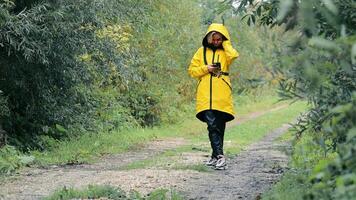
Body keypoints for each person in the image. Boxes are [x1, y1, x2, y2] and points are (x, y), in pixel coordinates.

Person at [188, 23, 239, 170]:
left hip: (222, 94)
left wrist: (226, 42)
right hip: (205, 95)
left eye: (219, 39)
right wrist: (207, 68)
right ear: (209, 38)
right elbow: (192, 71)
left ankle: (214, 156)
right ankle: (220, 156)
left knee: (219, 126)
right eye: (214, 39)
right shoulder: (200, 51)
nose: (216, 42)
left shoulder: (226, 52)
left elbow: (234, 55)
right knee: (212, 125)